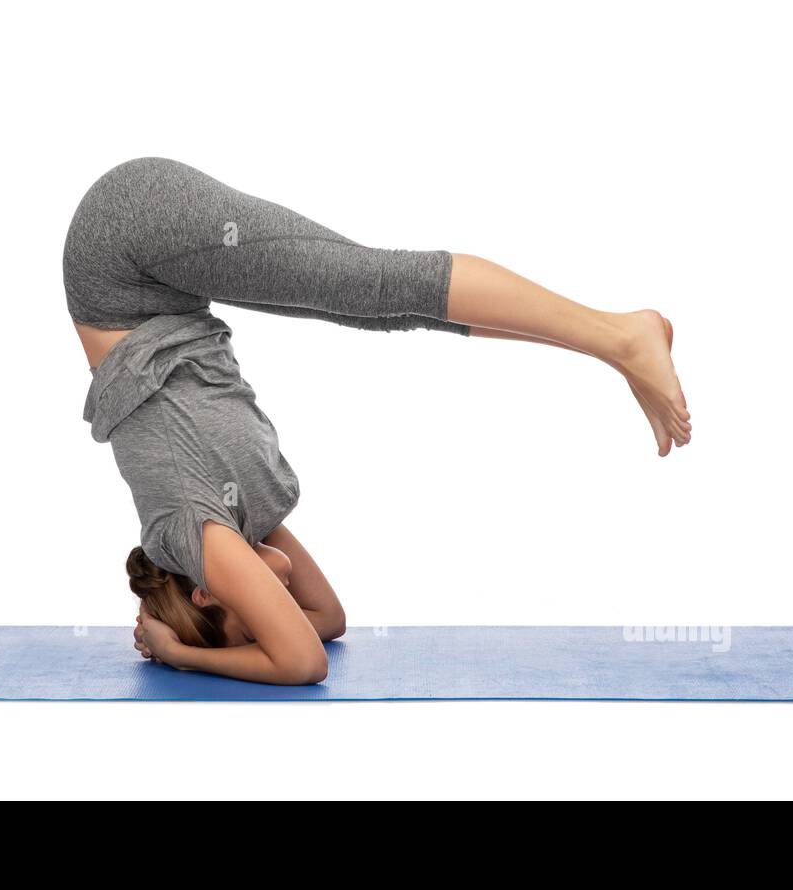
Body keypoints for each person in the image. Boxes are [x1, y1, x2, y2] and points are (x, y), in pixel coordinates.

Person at [64, 158, 690, 684]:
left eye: (251, 623)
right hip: (153, 293)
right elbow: (327, 621)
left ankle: (622, 337)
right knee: (385, 308)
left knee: (376, 283)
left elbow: (302, 661)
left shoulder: (196, 533)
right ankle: (615, 348)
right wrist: (226, 637)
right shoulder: (236, 521)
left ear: (206, 591)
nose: (274, 610)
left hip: (119, 252)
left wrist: (185, 657)